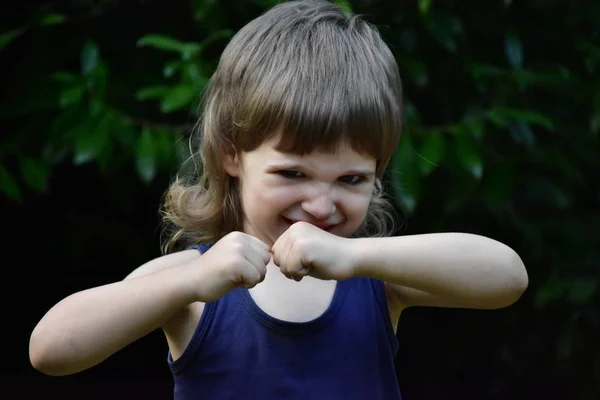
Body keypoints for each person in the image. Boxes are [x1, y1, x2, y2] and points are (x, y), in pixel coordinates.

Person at [29, 1, 529, 399]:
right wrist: (191, 281)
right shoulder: (192, 283)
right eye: (293, 172)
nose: (320, 204)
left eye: (351, 179)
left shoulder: (375, 277)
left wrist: (355, 257)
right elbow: (51, 349)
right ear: (231, 154)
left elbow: (507, 277)